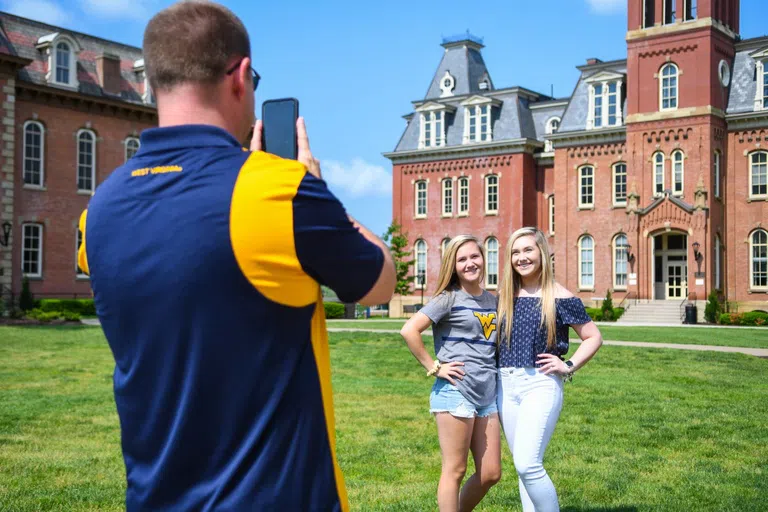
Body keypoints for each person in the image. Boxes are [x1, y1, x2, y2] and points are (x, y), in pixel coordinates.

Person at [76, 2, 395, 510]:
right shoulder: (279, 191)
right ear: (241, 75)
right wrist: (318, 191)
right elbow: (380, 281)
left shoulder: (98, 213)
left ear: (149, 83)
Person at [496, 227, 602, 512]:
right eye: (515, 252)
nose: (522, 258)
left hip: (540, 385)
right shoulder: (505, 294)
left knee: (527, 463)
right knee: (523, 465)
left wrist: (567, 365)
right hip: (505, 386)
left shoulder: (559, 296)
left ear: (541, 252)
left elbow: (593, 336)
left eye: (528, 250)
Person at [400, 235, 501, 512]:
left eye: (474, 256)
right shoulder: (448, 298)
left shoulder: (493, 300)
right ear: (453, 266)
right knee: (455, 470)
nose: (470, 263)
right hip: (456, 392)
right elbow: (409, 330)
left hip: (487, 394)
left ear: (484, 257)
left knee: (491, 473)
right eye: (462, 259)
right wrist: (434, 367)